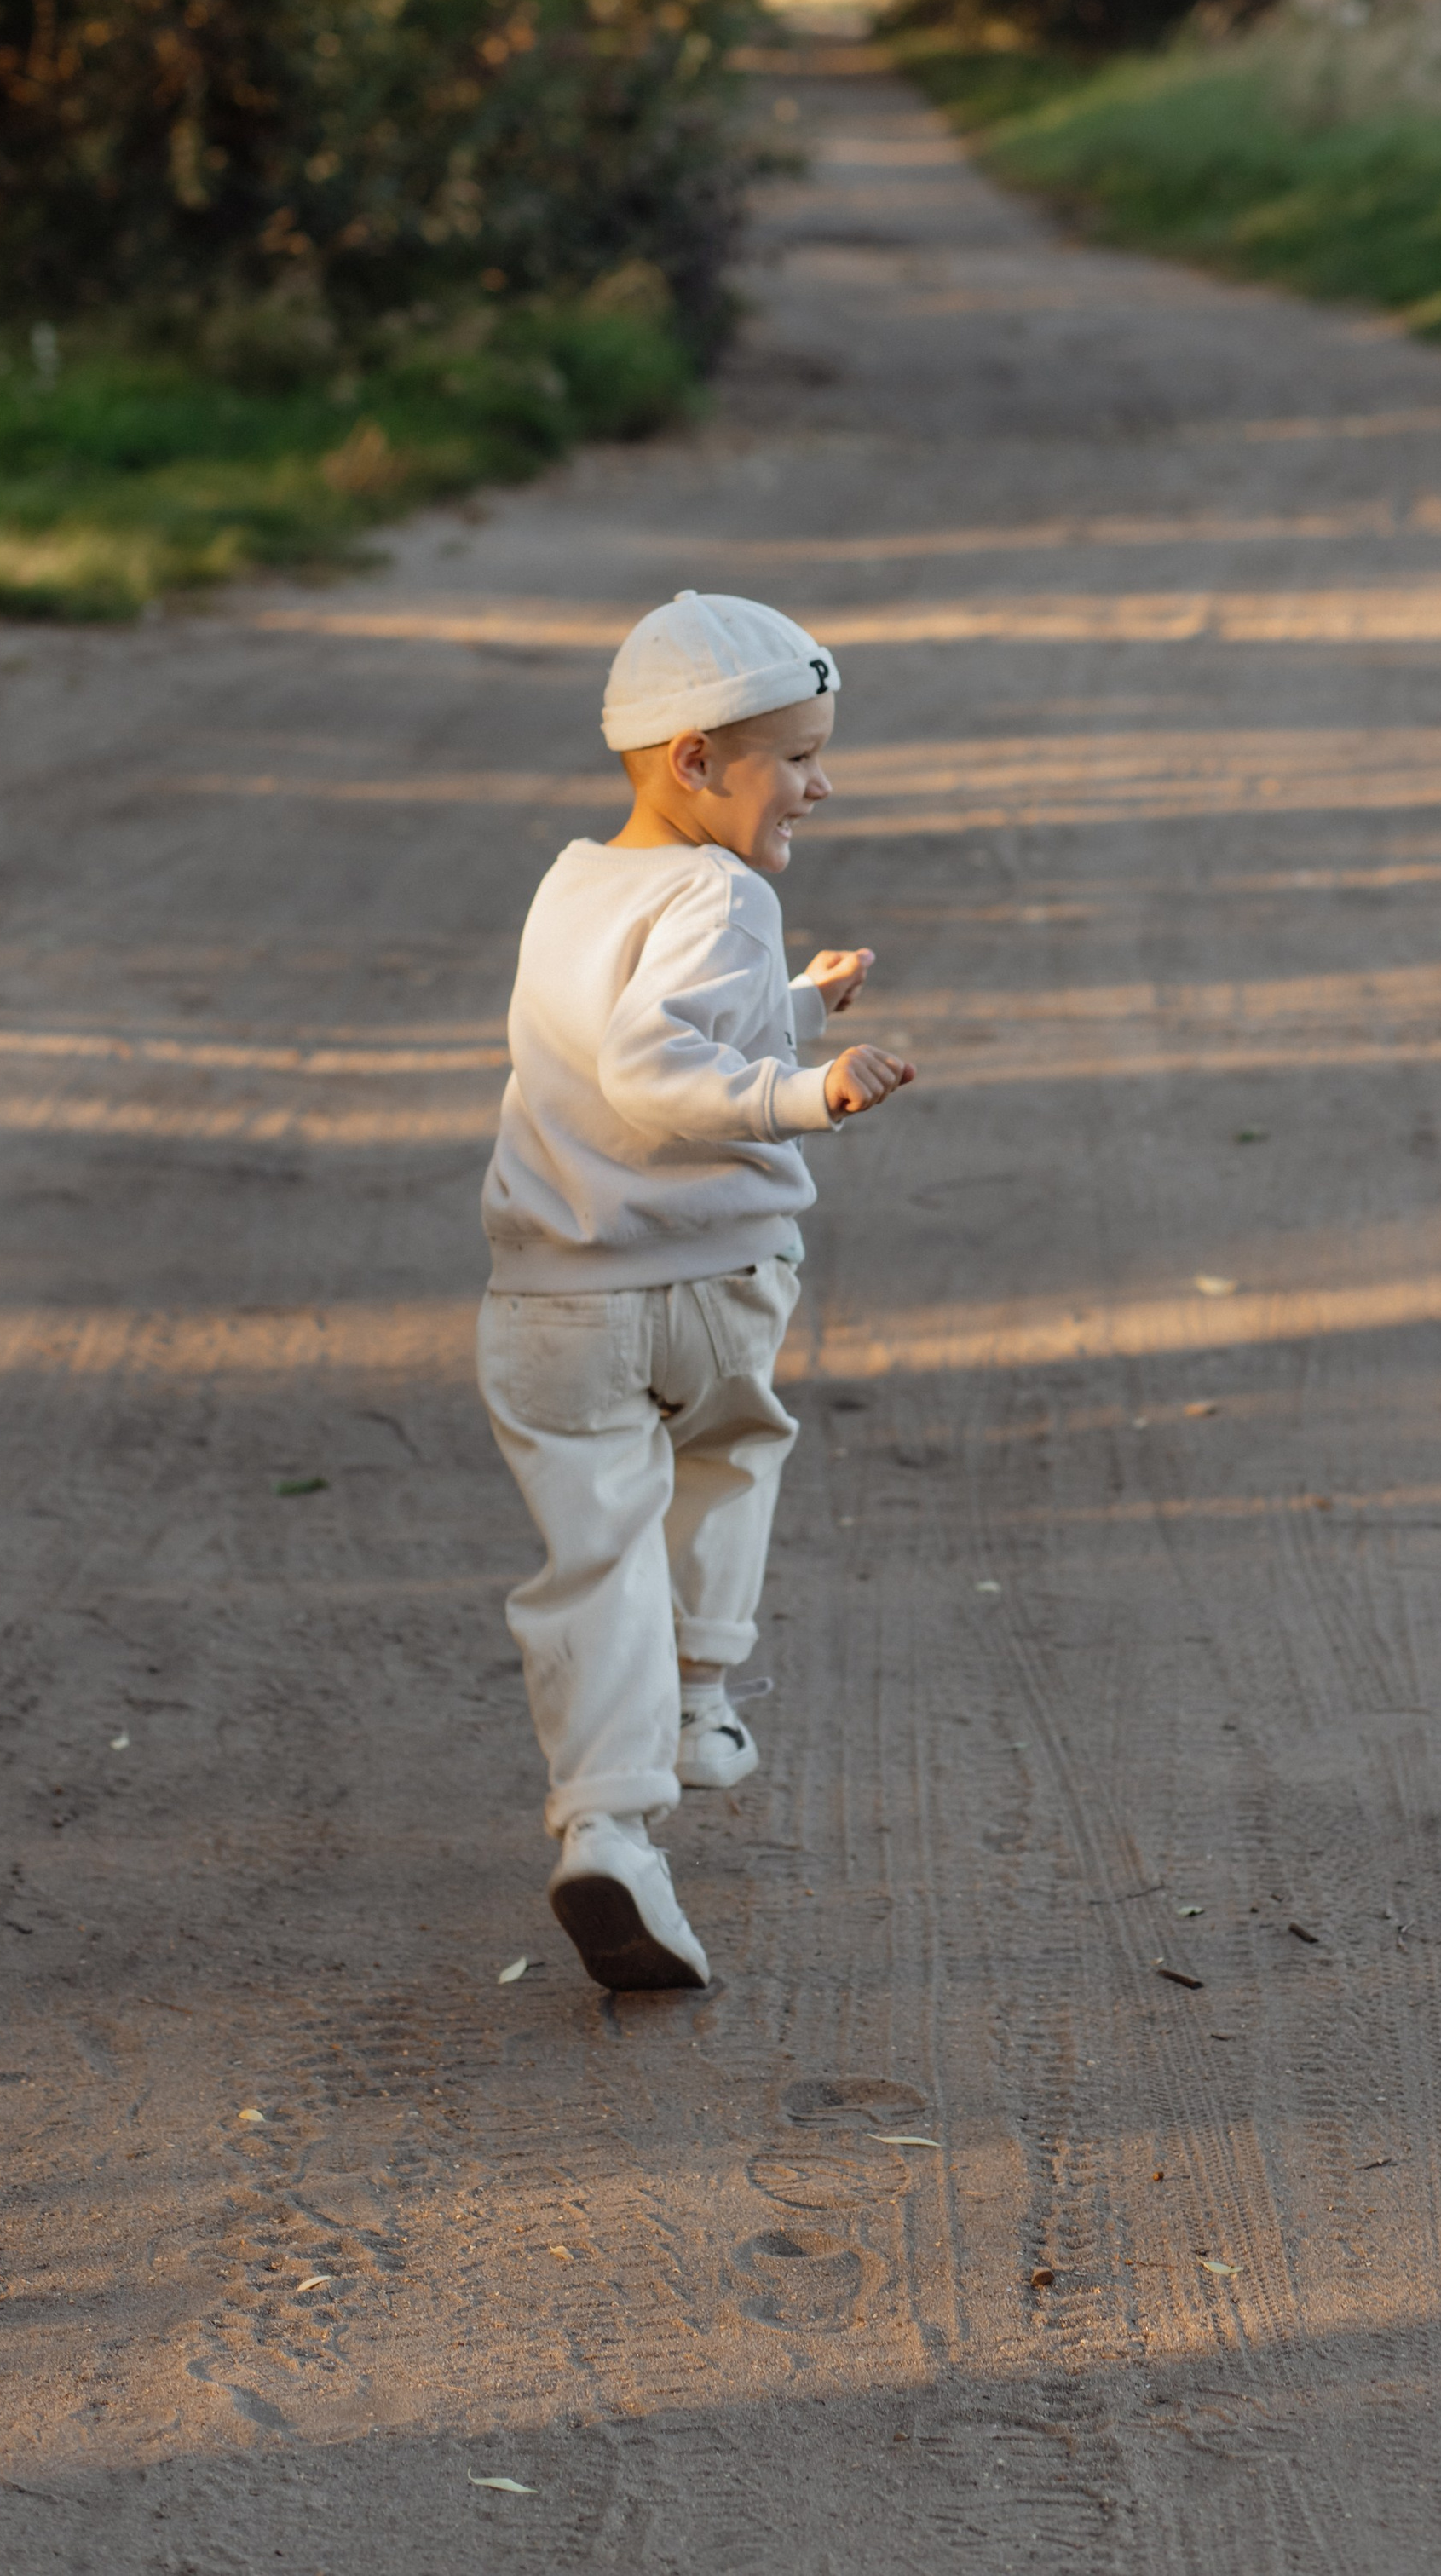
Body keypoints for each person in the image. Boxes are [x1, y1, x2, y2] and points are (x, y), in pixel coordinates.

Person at [475, 591, 915, 1992]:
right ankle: (702, 1697)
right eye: (796, 754)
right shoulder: (728, 889)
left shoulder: (574, 885)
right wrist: (806, 1088)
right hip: (708, 1282)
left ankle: (607, 1828)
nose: (820, 782)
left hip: (551, 1300)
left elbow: (610, 1040)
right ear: (696, 761)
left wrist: (789, 1006)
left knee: (591, 1560)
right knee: (730, 1453)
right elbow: (657, 1076)